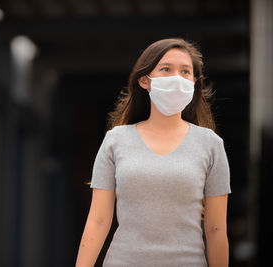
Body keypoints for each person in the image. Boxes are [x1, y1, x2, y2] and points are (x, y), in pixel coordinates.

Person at [75, 38, 231, 267]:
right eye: (166, 69)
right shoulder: (115, 141)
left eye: (185, 71)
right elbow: (98, 220)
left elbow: (216, 229)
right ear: (144, 80)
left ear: (194, 83)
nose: (177, 78)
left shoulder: (211, 145)